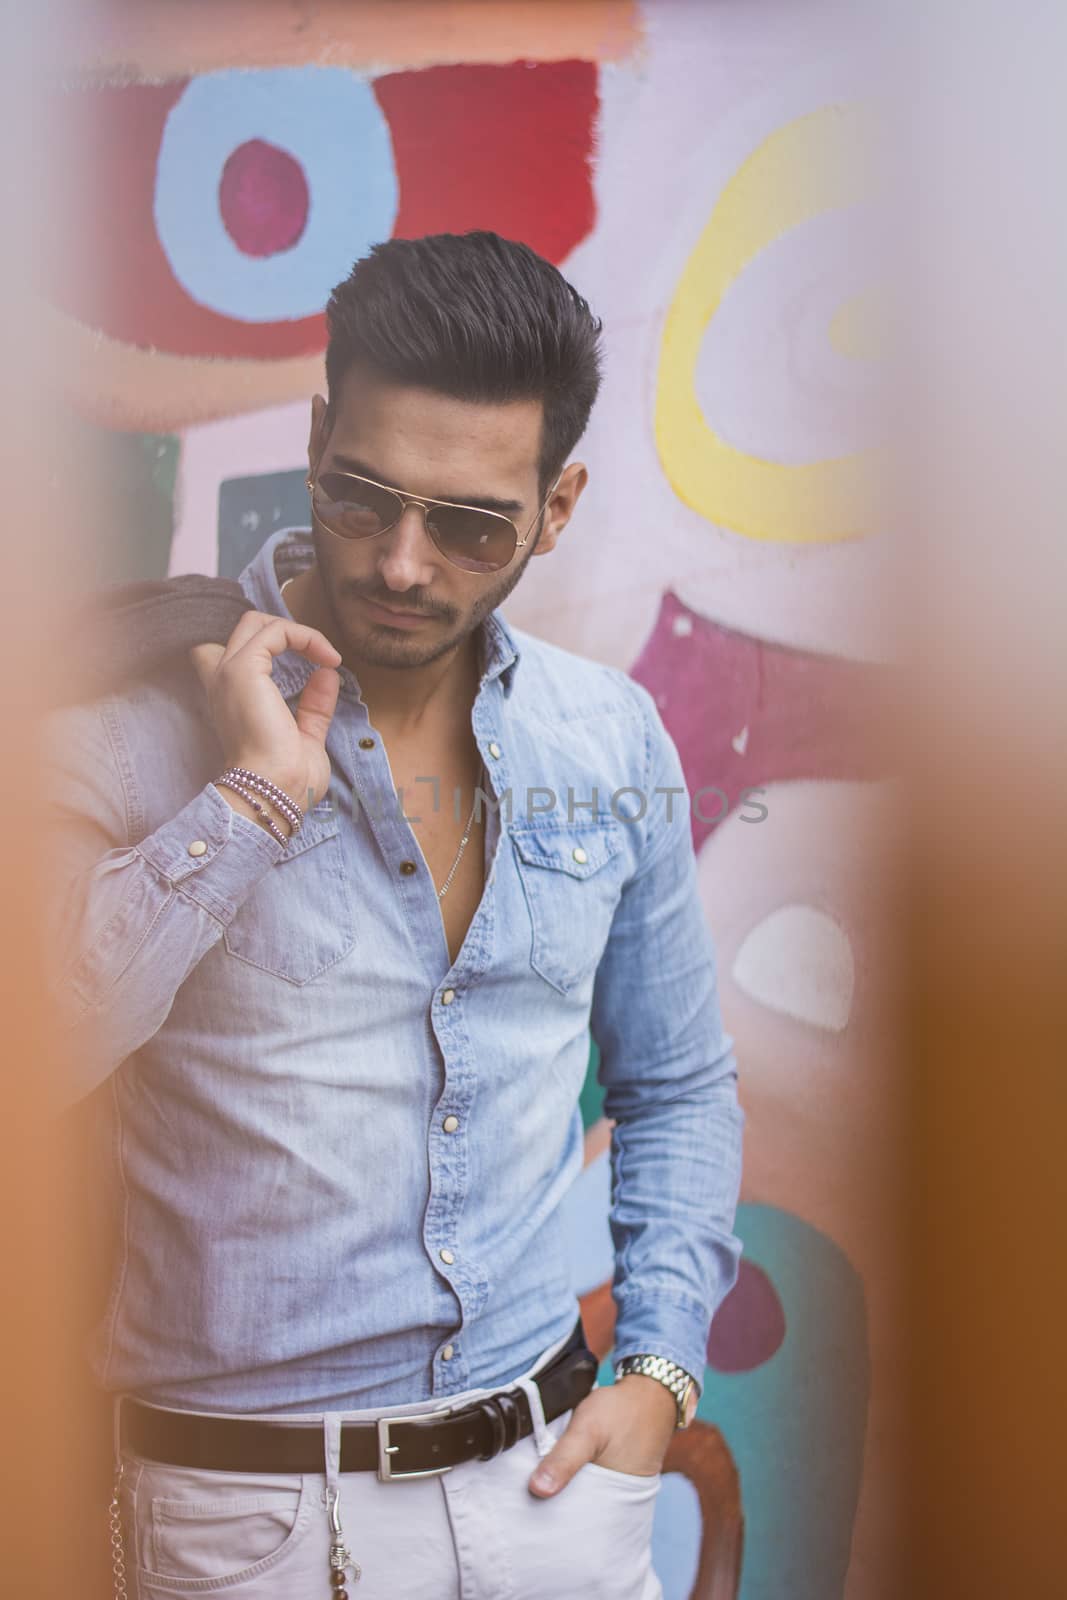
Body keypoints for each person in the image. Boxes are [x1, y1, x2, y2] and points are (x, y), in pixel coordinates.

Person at [42, 231, 745, 1599]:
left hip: (556, 1494)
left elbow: (680, 1083)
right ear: (316, 440)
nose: (406, 564)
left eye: (474, 522)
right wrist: (250, 802)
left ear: (557, 505)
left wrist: (659, 1369)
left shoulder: (608, 738)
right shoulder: (120, 731)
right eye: (366, 497)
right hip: (243, 1524)